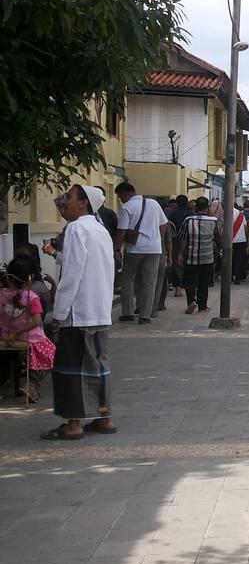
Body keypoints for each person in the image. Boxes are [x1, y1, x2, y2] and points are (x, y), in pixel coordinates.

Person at [43, 185, 115, 440]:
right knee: (98, 366)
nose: (65, 201)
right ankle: (104, 417)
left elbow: (72, 274)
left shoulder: (76, 228)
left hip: (79, 312)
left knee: (71, 368)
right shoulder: (100, 230)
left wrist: (59, 313)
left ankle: (74, 423)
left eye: (70, 197)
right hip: (98, 310)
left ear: (84, 203)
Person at [0, 255, 57, 402]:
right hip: (28, 338)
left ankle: (29, 381)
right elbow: (36, 321)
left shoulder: (1, 295)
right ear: (30, 277)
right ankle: (31, 383)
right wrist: (18, 331)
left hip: (5, 337)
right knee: (53, 354)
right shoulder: (31, 297)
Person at [113, 183, 166, 324]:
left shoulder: (126, 207)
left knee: (127, 279)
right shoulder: (154, 204)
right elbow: (163, 224)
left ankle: (128, 313)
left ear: (124, 194)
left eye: (120, 197)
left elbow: (121, 231)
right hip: (154, 249)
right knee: (150, 282)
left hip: (135, 249)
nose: (120, 200)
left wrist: (117, 250)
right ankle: (145, 315)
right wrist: (156, 239)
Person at [176, 197, 221, 314]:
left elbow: (183, 238)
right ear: (208, 207)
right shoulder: (213, 221)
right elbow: (218, 238)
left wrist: (180, 254)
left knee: (189, 280)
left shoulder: (188, 220)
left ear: (196, 207)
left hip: (191, 256)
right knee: (204, 282)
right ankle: (202, 306)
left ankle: (191, 301)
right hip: (207, 257)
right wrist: (220, 250)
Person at [168, 195, 192, 298]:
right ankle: (189, 287)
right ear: (187, 203)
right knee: (189, 264)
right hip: (190, 242)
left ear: (176, 203)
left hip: (175, 241)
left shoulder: (172, 215)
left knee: (176, 264)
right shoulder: (191, 214)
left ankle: (177, 288)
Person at [229, 202, 249, 283]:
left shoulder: (226, 212)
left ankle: (230, 276)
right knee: (240, 260)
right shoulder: (241, 215)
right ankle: (238, 278)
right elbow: (245, 228)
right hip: (241, 240)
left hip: (229, 240)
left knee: (231, 259)